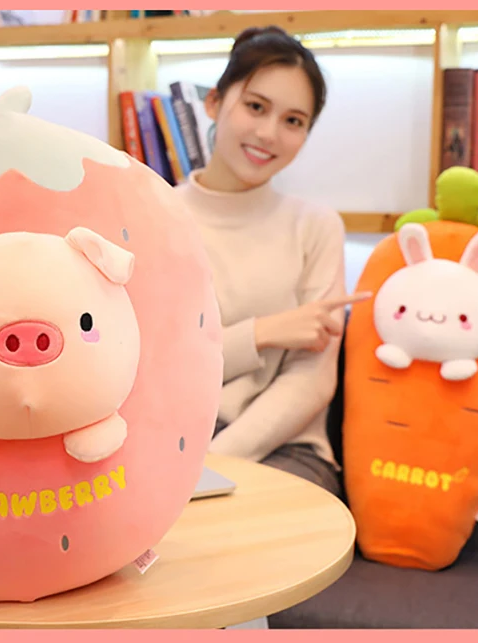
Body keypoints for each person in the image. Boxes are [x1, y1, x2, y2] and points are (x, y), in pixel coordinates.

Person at [173, 25, 370, 498]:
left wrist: (209, 466)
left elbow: (311, 381)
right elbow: (156, 368)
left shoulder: (316, 226)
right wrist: (262, 333)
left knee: (236, 529)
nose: (268, 134)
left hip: (286, 450)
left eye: (293, 121)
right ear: (215, 102)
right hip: (172, 437)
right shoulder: (156, 217)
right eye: (256, 107)